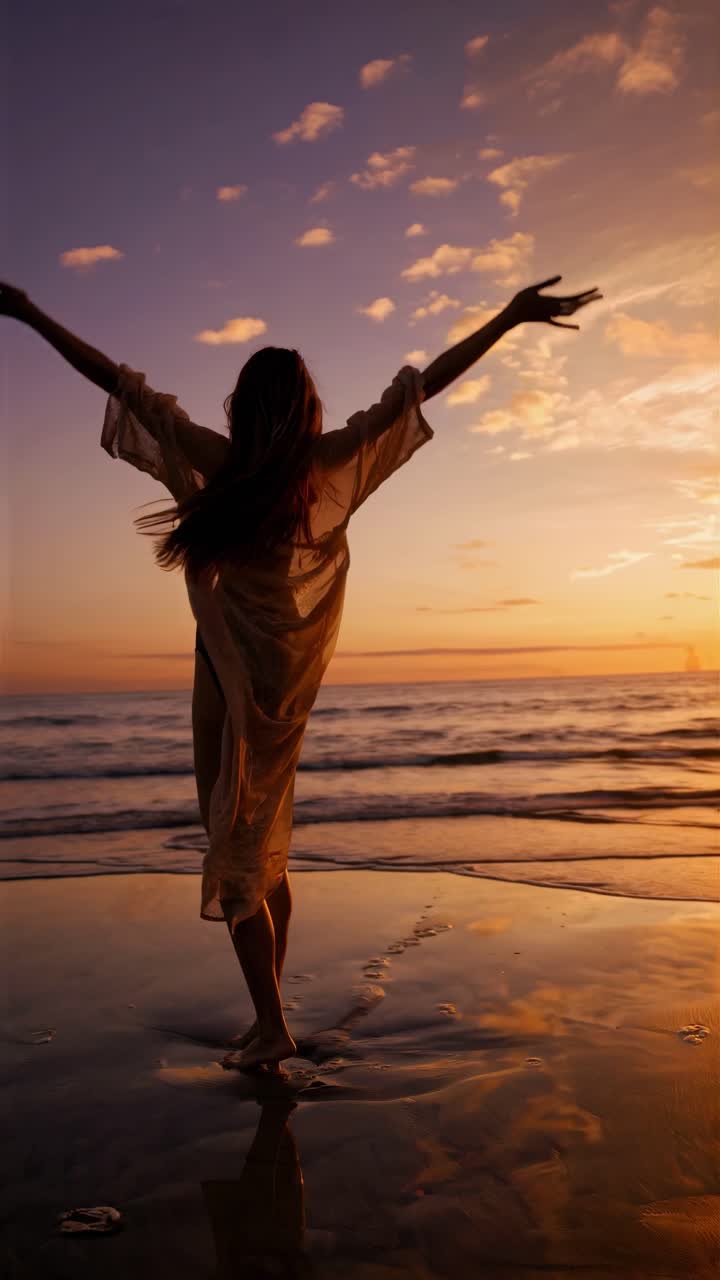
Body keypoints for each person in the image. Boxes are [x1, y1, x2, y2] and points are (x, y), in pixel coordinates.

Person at [0, 275, 602, 1068]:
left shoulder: (223, 461)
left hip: (228, 669)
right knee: (261, 837)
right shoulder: (327, 459)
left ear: (242, 405)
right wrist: (511, 318)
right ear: (307, 405)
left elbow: (119, 381)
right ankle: (267, 1017)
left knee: (236, 842)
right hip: (286, 672)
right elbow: (422, 388)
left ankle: (273, 1026)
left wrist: (31, 313)